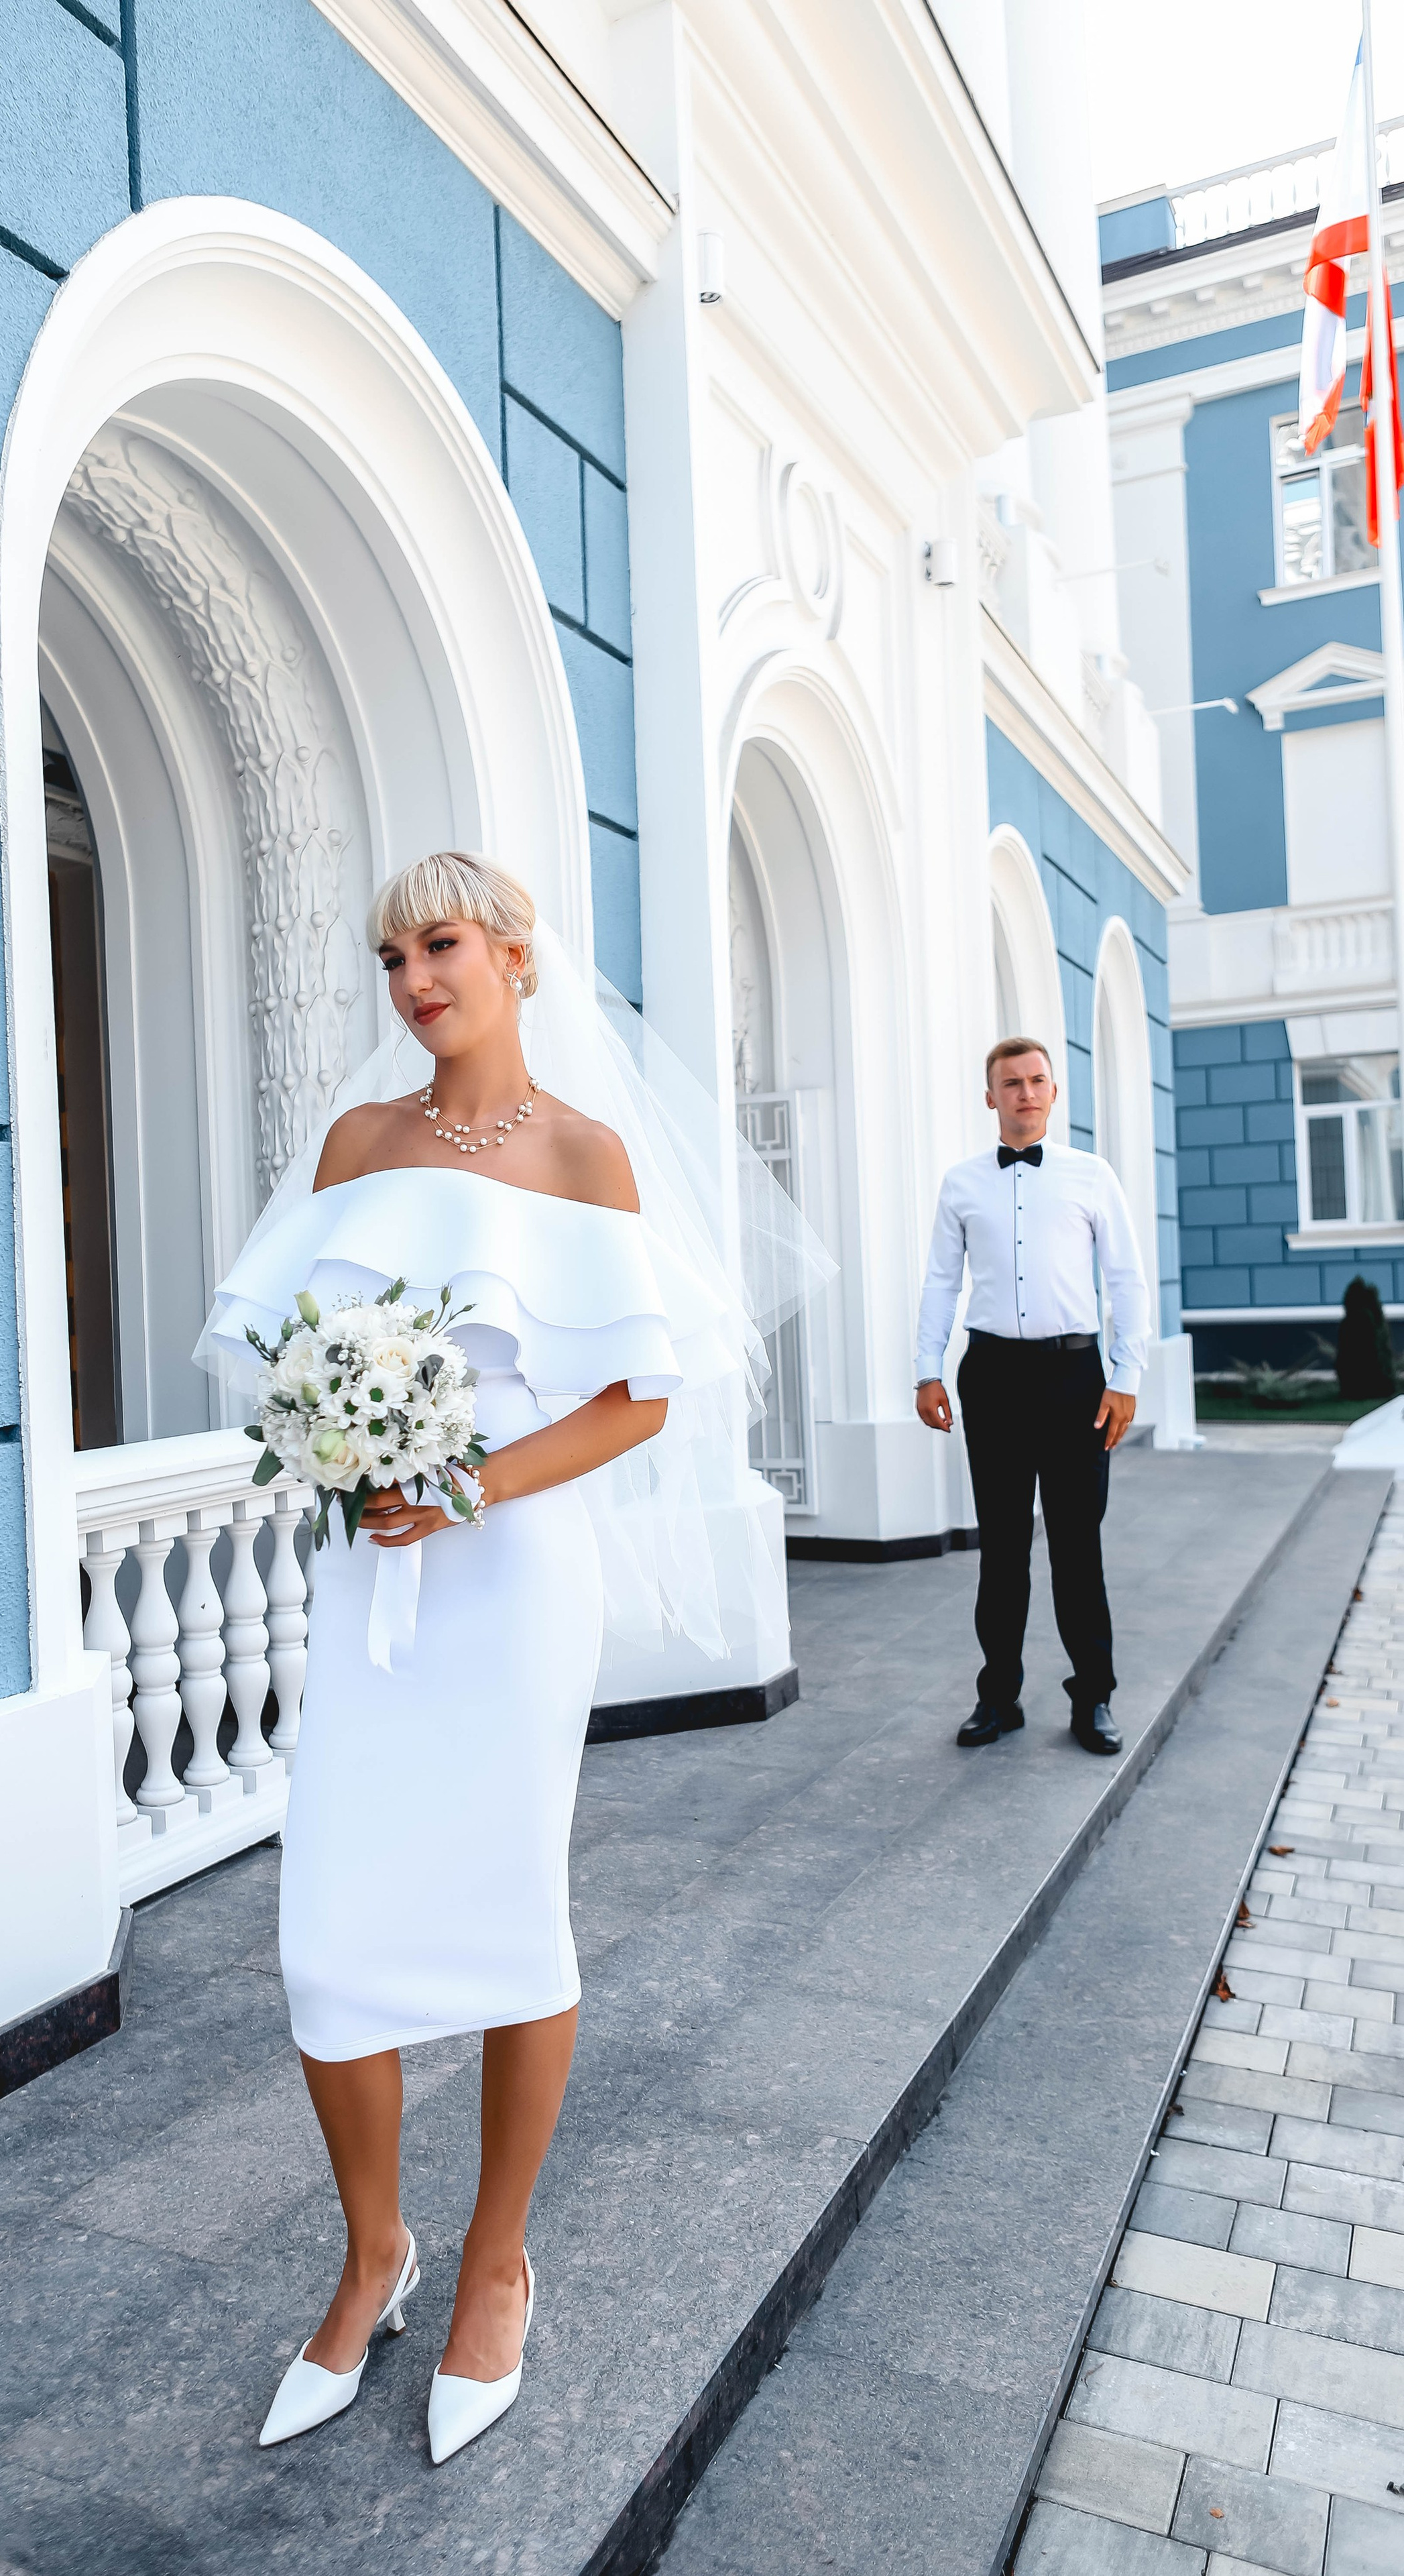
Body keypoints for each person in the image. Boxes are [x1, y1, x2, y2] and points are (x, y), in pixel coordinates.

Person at [195, 851, 827, 2465]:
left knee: (501, 1912)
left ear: (516, 955)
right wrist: (348, 1443)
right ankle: (370, 2250)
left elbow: (636, 1397)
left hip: (506, 1574)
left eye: (442, 942)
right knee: (329, 1934)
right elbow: (285, 1349)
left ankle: (493, 2260)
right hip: (370, 1579)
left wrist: (462, 1475)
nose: (413, 977)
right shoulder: (355, 1144)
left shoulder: (581, 1151)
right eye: (391, 953)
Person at [914, 1036, 1149, 1758]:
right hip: (991, 1378)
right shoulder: (960, 1183)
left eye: (1036, 1080)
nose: (1024, 1092)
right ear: (990, 1097)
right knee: (1003, 1547)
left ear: (1053, 1092)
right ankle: (999, 1695)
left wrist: (1125, 1378)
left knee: (1077, 1547)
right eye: (1010, 1082)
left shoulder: (1091, 1176)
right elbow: (940, 1283)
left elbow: (1127, 1281)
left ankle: (1094, 1698)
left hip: (1076, 1377)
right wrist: (926, 1369)